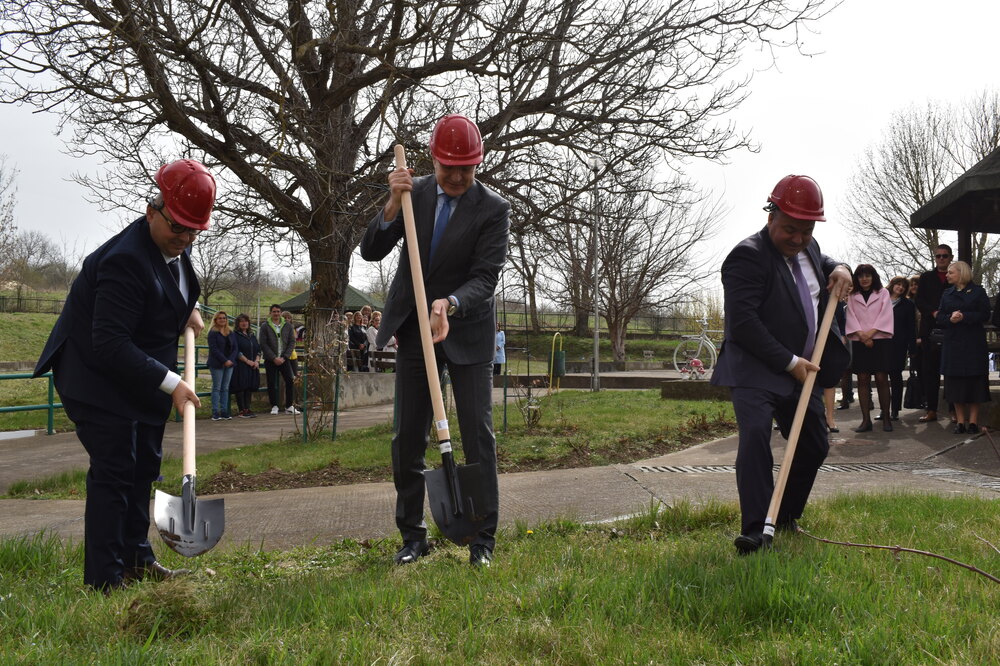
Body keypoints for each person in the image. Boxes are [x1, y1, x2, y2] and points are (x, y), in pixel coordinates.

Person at [32, 158, 215, 592]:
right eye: (178, 227)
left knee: (144, 468)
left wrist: (187, 308)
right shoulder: (124, 261)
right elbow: (111, 343)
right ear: (153, 211)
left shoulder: (175, 246)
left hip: (140, 375)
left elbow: (167, 285)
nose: (185, 239)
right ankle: (105, 578)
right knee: (115, 471)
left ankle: (137, 560)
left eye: (194, 231)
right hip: (95, 377)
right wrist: (173, 384)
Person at [359, 113, 510, 567]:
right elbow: (370, 250)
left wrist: (449, 303)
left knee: (478, 434)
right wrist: (392, 203)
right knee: (407, 435)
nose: (459, 177)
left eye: (468, 169)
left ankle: (482, 538)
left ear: (478, 164)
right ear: (433, 159)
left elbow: (486, 277)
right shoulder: (414, 194)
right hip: (414, 329)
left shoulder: (493, 209)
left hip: (467, 330)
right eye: (450, 168)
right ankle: (413, 535)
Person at [711, 174, 851, 555]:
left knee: (814, 445)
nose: (798, 239)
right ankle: (756, 531)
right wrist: (790, 362)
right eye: (790, 229)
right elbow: (743, 324)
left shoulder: (809, 247)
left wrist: (841, 267)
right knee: (757, 437)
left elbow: (824, 262)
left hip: (802, 372)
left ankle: (782, 517)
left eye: (806, 231)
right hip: (756, 368)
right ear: (771, 216)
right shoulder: (747, 256)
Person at [938, 261, 991, 434]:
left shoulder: (978, 292)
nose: (947, 275)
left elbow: (985, 314)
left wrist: (965, 316)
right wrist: (949, 318)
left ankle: (973, 422)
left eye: (951, 272)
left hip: (973, 344)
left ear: (962, 273)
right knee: (955, 384)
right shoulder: (947, 293)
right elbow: (940, 317)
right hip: (953, 344)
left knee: (974, 383)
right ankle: (960, 422)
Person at [844, 265, 894, 433]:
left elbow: (885, 315)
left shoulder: (883, 293)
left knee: (881, 377)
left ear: (873, 277)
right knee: (863, 378)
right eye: (860, 276)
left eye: (867, 275)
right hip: (860, 340)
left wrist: (870, 334)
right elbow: (851, 316)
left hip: (880, 339)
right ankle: (866, 420)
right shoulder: (852, 295)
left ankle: (886, 417)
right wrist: (862, 335)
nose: (864, 279)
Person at [915, 245, 954, 422]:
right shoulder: (926, 277)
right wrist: (933, 312)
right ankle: (931, 410)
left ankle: (954, 410)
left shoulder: (955, 276)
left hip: (951, 329)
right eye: (938, 256)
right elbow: (919, 300)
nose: (941, 259)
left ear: (950, 257)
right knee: (930, 372)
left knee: (952, 371)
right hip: (929, 330)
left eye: (945, 256)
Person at [259, 303, 299, 415]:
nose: (276, 313)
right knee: (271, 382)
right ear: (270, 313)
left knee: (290, 380)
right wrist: (273, 357)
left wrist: (284, 356)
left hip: (284, 359)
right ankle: (274, 406)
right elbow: (263, 343)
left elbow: (292, 342)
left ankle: (289, 406)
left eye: (278, 311)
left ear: (281, 313)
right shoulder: (265, 326)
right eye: (274, 311)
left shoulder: (288, 325)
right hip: (270, 359)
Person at [887, 276, 917, 421]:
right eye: (898, 284)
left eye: (903, 286)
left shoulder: (908, 304)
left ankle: (895, 410)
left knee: (895, 377)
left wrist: (912, 348)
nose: (900, 288)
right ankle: (884, 409)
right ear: (892, 284)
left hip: (899, 344)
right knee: (881, 377)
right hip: (881, 343)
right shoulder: (881, 300)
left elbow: (911, 327)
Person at [206, 311, 238, 420]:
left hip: (230, 364)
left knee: (225, 388)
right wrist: (224, 360)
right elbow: (214, 349)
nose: (222, 320)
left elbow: (235, 348)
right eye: (220, 318)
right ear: (215, 320)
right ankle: (215, 412)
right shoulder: (212, 333)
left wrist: (230, 360)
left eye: (224, 318)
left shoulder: (230, 332)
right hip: (217, 364)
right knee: (217, 387)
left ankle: (224, 411)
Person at [231, 313, 262, 418]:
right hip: (241, 364)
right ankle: (241, 410)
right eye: (241, 321)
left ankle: (247, 408)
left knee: (249, 387)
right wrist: (247, 361)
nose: (244, 323)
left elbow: (258, 349)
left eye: (246, 321)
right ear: (238, 323)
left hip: (253, 365)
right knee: (241, 386)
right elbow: (236, 351)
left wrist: (257, 361)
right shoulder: (235, 335)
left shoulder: (252, 335)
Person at [281, 311, 301, 377]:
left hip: (292, 354)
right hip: (284, 354)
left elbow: (293, 341)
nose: (287, 319)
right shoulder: (279, 328)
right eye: (285, 318)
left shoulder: (292, 329)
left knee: (295, 374)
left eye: (288, 318)